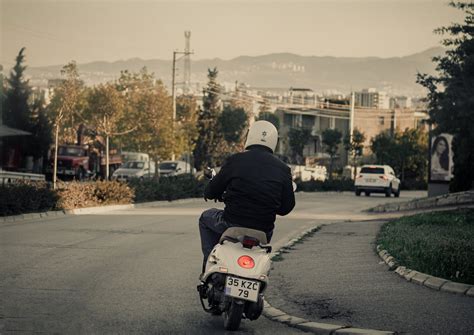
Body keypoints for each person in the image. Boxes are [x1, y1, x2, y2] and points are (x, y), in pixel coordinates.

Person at [198, 120, 295, 274]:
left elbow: (212, 190)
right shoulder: (283, 169)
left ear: (250, 136)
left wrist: (210, 192)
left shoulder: (236, 160)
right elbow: (287, 207)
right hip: (263, 231)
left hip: (231, 223)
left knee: (205, 218)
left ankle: (210, 266)